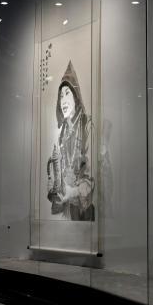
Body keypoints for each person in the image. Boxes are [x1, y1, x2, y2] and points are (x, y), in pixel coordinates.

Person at [47, 61, 95, 221]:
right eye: (61, 96)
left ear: (75, 96)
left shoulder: (86, 125)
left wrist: (72, 192)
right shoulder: (62, 132)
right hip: (66, 207)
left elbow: (92, 174)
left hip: (82, 211)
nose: (63, 100)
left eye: (67, 93)